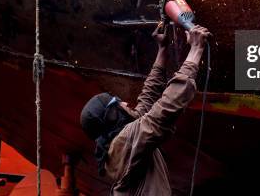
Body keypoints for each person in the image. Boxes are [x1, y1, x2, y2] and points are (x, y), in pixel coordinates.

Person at [80, 24, 211, 195]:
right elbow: (166, 109)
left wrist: (163, 49)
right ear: (111, 117)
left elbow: (147, 99)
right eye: (118, 104)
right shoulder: (127, 142)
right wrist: (195, 49)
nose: (126, 103)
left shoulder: (115, 145)